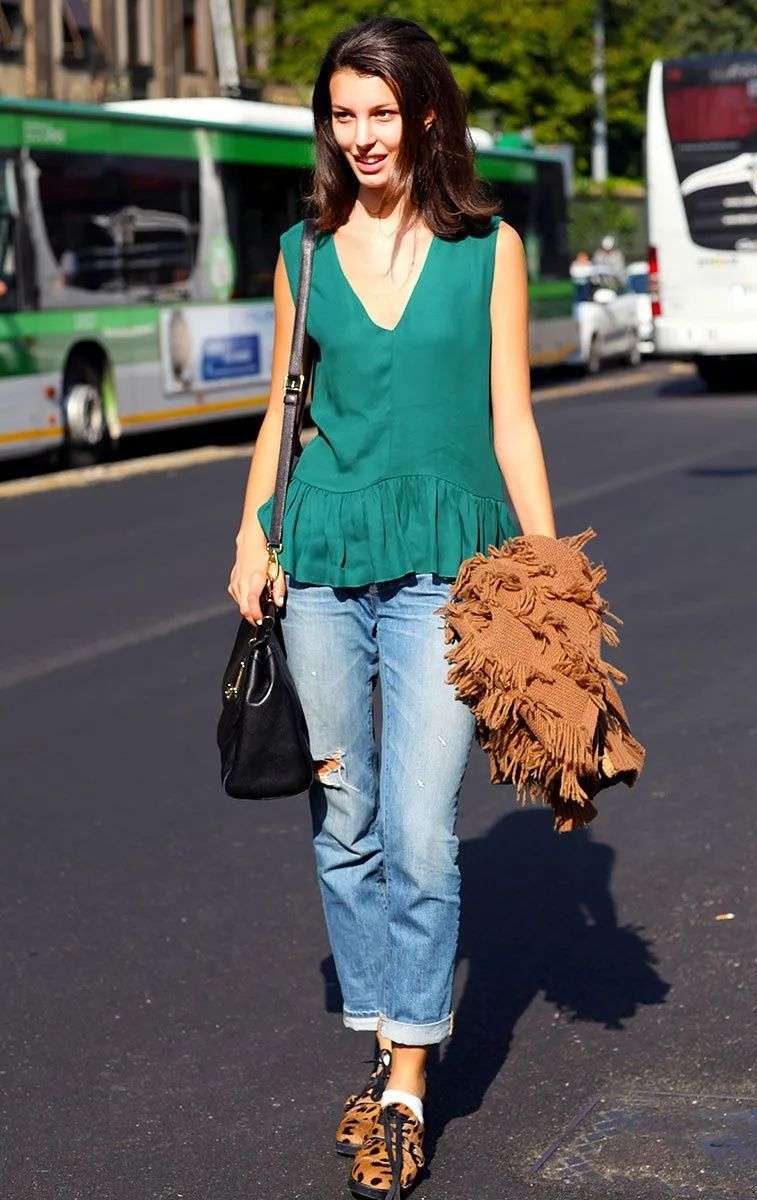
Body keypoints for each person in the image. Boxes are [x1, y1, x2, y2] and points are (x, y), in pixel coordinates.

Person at [228, 16, 556, 1197]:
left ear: (423, 114)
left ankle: (407, 1081)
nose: (361, 135)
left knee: (419, 827)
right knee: (345, 816)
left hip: (444, 566)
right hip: (319, 554)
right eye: (341, 114)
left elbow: (510, 415)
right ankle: (384, 1032)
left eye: (380, 112)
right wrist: (251, 529)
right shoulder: (303, 252)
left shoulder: (488, 248)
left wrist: (548, 571)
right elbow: (284, 406)